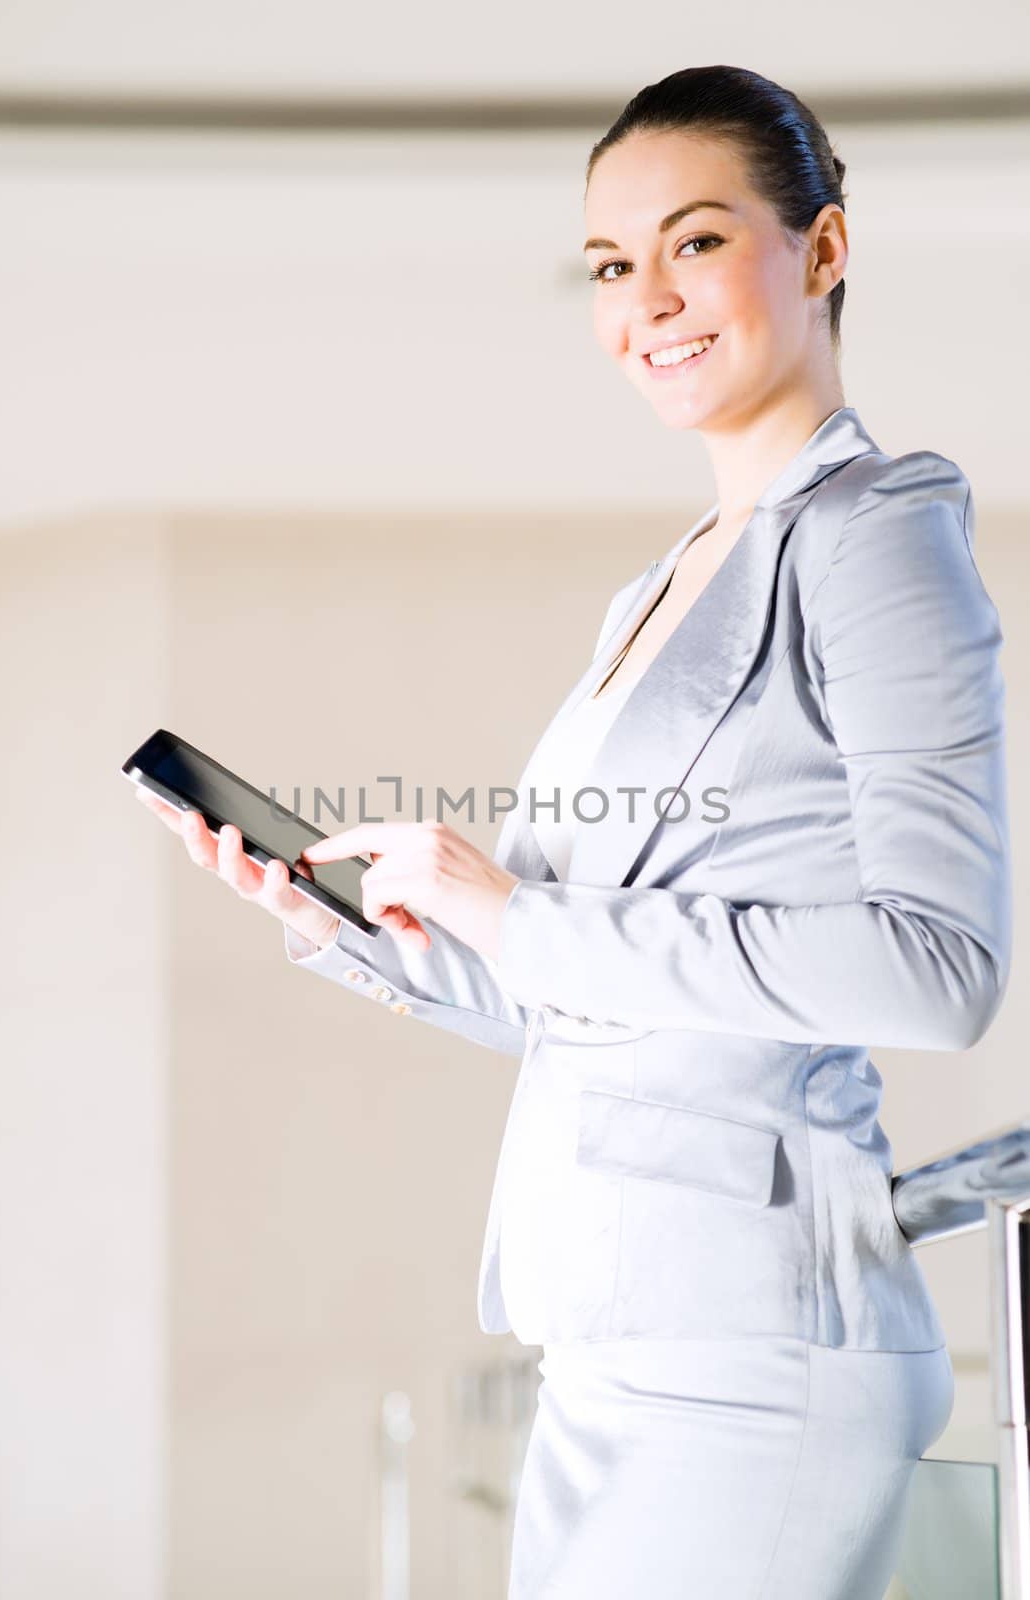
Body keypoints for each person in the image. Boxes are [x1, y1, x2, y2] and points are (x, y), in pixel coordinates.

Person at [136, 64, 1012, 1600]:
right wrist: (353, 923)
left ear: (821, 251)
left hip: (755, 1352)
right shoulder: (657, 590)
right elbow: (583, 1006)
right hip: (614, 1333)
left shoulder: (879, 530)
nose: (647, 301)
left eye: (694, 241)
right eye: (613, 265)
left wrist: (516, 914)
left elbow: (938, 971)